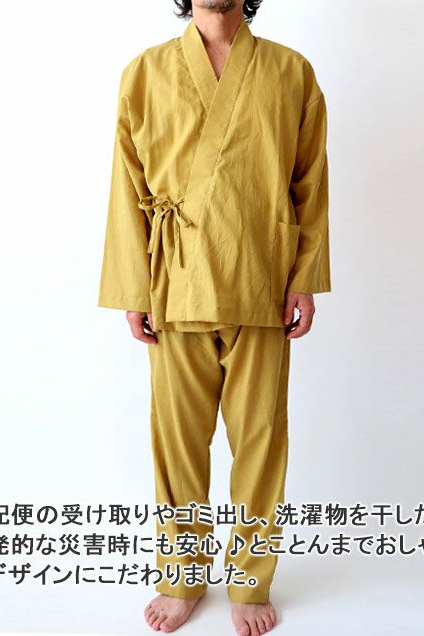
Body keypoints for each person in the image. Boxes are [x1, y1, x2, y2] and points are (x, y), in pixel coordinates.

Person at [98, 1, 331, 633]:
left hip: (261, 275)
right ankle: (182, 575)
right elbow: (126, 185)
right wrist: (135, 286)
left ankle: (250, 580)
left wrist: (304, 278)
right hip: (176, 282)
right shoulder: (145, 72)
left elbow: (309, 182)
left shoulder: (291, 71)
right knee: (177, 444)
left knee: (261, 441)